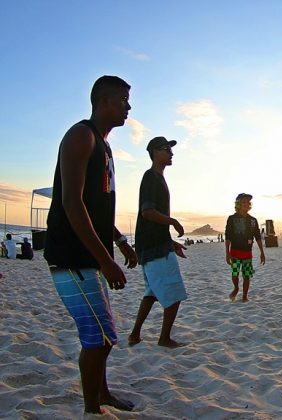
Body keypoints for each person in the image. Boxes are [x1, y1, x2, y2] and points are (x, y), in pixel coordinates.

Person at [44, 75, 137, 415]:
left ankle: (102, 394)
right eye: (124, 99)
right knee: (98, 337)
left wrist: (120, 242)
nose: (129, 106)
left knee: (104, 336)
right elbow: (71, 203)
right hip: (73, 258)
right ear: (104, 101)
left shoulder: (105, 145)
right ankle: (91, 409)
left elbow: (96, 205)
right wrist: (106, 261)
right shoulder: (81, 136)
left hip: (91, 258)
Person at [128, 136, 189, 349]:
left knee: (151, 292)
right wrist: (173, 221)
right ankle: (164, 339)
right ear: (155, 152)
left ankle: (134, 335)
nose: (171, 153)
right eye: (166, 149)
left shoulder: (159, 178)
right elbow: (147, 212)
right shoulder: (151, 177)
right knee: (174, 293)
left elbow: (154, 221)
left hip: (154, 244)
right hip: (153, 248)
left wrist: (171, 242)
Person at [224, 193, 266, 301]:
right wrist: (227, 253)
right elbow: (228, 236)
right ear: (238, 204)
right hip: (234, 252)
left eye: (248, 202)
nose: (246, 204)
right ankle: (236, 288)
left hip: (247, 252)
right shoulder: (231, 219)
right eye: (244, 202)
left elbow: (257, 237)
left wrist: (262, 252)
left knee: (246, 275)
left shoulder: (253, 220)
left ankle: (244, 295)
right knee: (235, 273)